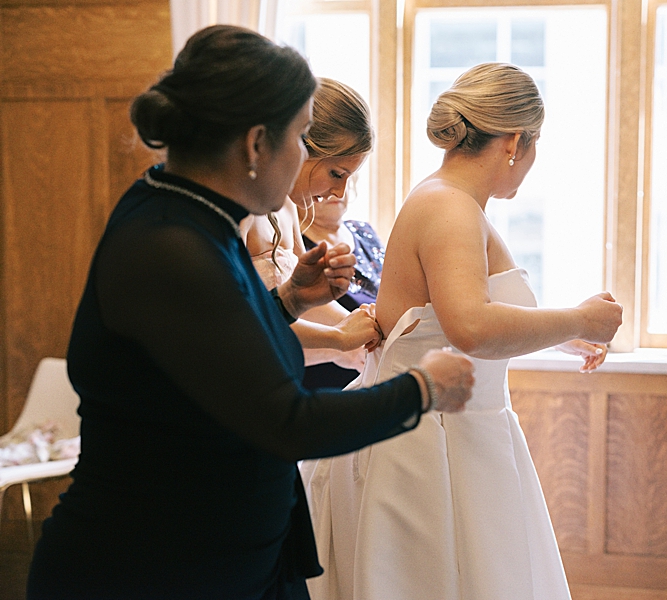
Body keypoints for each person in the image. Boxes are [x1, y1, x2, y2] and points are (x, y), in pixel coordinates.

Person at [25, 25, 474, 600]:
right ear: (257, 143)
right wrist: (422, 389)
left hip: (222, 559)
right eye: (302, 137)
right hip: (148, 566)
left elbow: (211, 350)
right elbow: (286, 422)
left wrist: (290, 300)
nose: (305, 161)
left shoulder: (193, 219)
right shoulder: (169, 246)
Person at [302, 62, 624, 600]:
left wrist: (558, 335)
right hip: (432, 446)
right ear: (517, 142)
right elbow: (470, 326)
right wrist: (580, 318)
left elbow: (445, 320)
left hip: (460, 436)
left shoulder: (453, 200)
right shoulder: (450, 207)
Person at [241, 77, 378, 377]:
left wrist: (370, 329)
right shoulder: (242, 212)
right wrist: (339, 340)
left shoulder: (288, 208)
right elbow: (239, 322)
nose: (340, 193)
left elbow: (301, 304)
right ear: (301, 146)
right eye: (336, 173)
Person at [299, 183, 384, 390]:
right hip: (328, 380)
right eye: (333, 174)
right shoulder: (299, 248)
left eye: (346, 176)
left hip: (375, 367)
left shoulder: (364, 231)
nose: (337, 189)